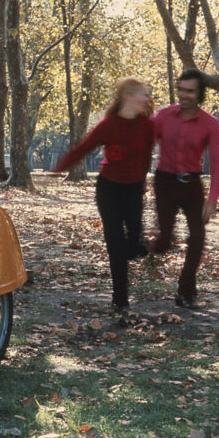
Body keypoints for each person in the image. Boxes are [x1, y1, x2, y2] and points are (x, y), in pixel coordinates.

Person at [54, 77, 155, 317]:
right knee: (115, 243)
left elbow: (147, 158)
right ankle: (120, 299)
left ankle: (135, 248)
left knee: (133, 243)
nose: (146, 98)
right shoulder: (108, 125)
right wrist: (60, 167)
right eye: (142, 94)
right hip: (108, 188)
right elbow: (84, 148)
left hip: (134, 189)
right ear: (128, 96)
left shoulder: (148, 126)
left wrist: (141, 185)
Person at [148, 68, 219, 309]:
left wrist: (212, 199)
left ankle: (187, 289)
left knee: (198, 237)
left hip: (191, 184)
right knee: (164, 240)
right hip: (165, 183)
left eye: (190, 91)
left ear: (199, 94)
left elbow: (216, 162)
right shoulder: (163, 116)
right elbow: (144, 143)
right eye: (181, 90)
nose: (184, 95)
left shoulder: (210, 123)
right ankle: (150, 250)